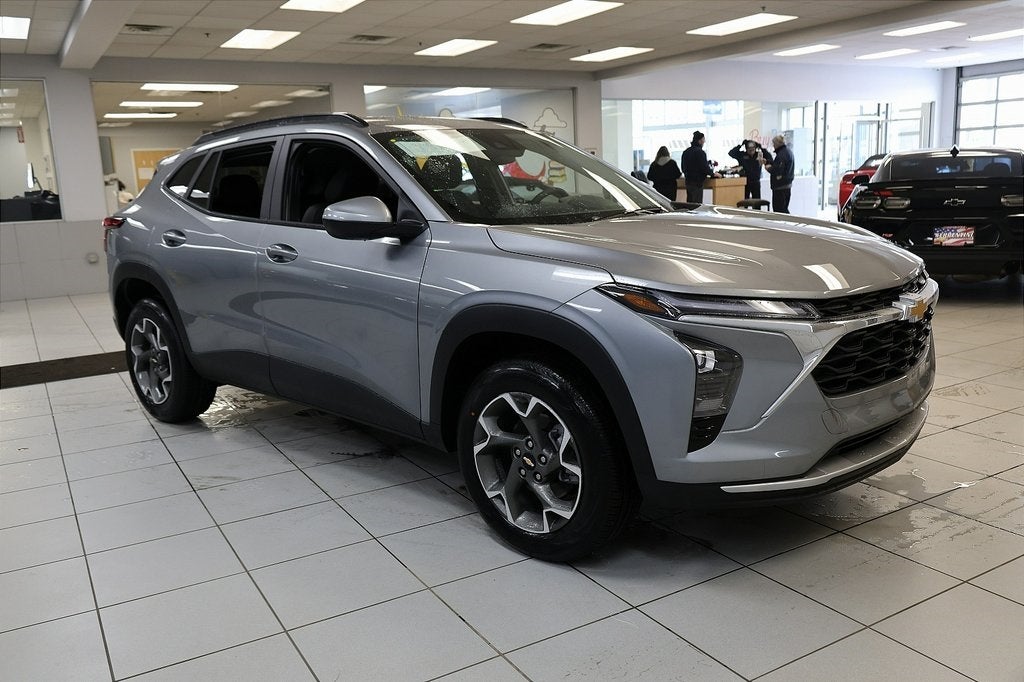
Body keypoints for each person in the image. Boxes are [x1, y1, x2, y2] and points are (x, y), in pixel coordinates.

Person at [681, 131, 720, 204]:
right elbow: (704, 167)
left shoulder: (686, 152)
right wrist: (713, 174)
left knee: (690, 203)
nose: (704, 142)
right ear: (699, 141)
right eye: (703, 140)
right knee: (697, 204)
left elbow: (683, 168)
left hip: (688, 181)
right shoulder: (700, 152)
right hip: (697, 182)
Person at [764, 134, 794, 213]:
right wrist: (768, 162)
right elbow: (779, 166)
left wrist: (768, 168)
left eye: (774, 144)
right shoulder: (788, 151)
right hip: (787, 185)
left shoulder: (781, 155)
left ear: (778, 144)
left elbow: (777, 170)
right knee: (784, 209)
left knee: (779, 211)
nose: (773, 146)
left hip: (780, 186)